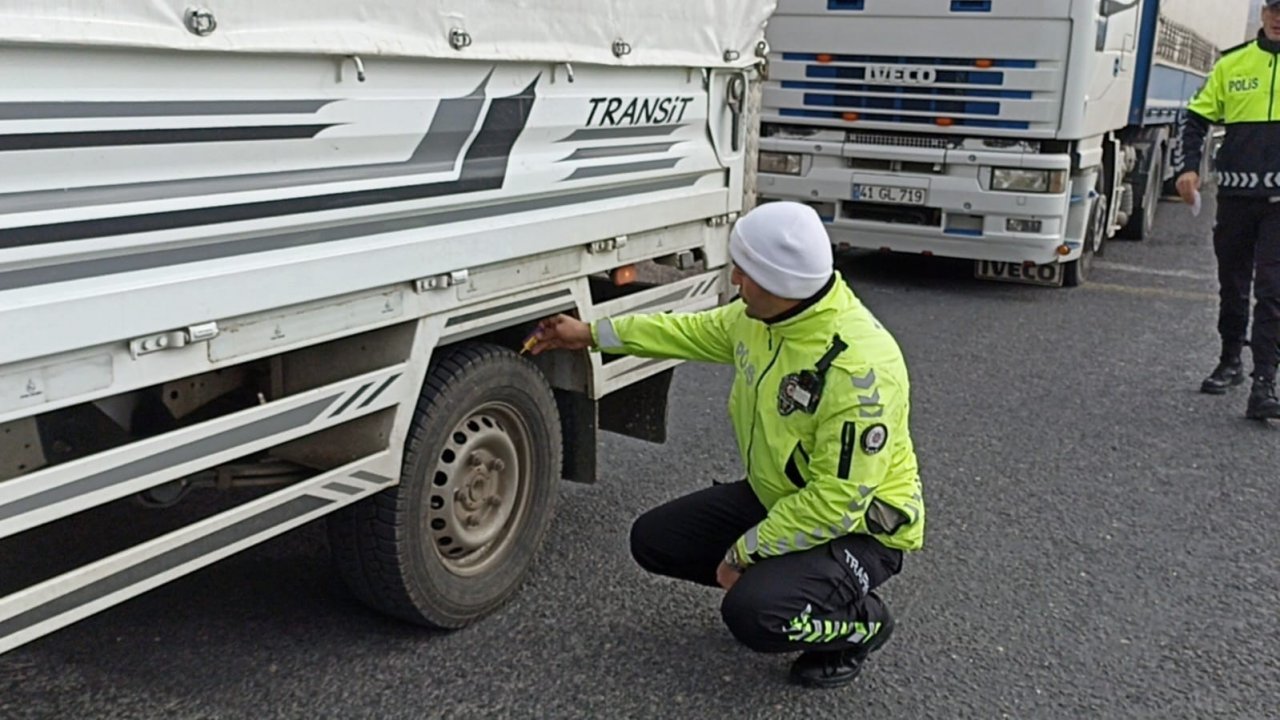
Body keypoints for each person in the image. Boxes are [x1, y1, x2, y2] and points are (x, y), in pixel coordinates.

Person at [529, 202, 925, 688]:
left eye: (745, 271)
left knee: (756, 616)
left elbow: (837, 503)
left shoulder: (858, 372)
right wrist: (590, 334)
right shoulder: (764, 320)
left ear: (780, 284)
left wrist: (745, 553)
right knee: (654, 540)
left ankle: (859, 624)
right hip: (779, 495)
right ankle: (784, 581)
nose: (735, 278)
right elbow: (687, 330)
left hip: (860, 529)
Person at [1176, 0, 1280, 420]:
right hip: (1236, 199)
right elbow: (1196, 118)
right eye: (1274, 9)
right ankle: (1230, 360)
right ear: (1263, 14)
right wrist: (1186, 168)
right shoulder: (1232, 64)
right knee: (1233, 282)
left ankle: (1264, 384)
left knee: (1273, 291)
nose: (1279, 17)